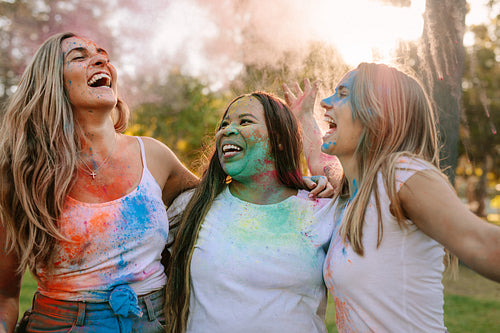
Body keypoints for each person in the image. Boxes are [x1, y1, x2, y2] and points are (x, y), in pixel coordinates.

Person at [0, 32, 199, 333]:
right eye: (79, 56)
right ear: (51, 82)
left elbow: (218, 201)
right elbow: (4, 296)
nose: (101, 59)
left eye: (103, 55)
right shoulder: (22, 172)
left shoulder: (154, 156)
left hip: (155, 323)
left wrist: (280, 129)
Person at [283, 63, 500, 332]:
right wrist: (304, 119)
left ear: (379, 114)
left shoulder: (402, 175)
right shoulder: (355, 192)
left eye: (342, 94)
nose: (326, 102)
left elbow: (481, 242)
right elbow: (320, 161)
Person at [164, 91, 339, 333]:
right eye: (224, 124)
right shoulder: (192, 207)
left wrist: (306, 120)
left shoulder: (321, 207)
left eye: (244, 121)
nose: (227, 130)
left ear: (278, 139)